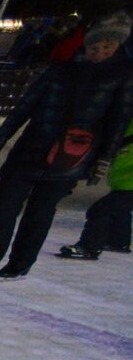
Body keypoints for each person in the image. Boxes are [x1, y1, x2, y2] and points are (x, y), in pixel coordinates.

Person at [0, 13, 133, 280]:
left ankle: (20, 264)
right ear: (85, 46)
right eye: (94, 47)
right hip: (29, 150)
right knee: (3, 209)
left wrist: (103, 159)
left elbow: (117, 122)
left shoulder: (121, 78)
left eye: (107, 47)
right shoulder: (60, 70)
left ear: (117, 47)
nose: (99, 52)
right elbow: (22, 109)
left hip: (69, 158)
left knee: (39, 213)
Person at [57, 108, 133, 260]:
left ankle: (89, 247)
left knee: (100, 210)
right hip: (124, 183)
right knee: (118, 210)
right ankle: (118, 242)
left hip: (129, 184)